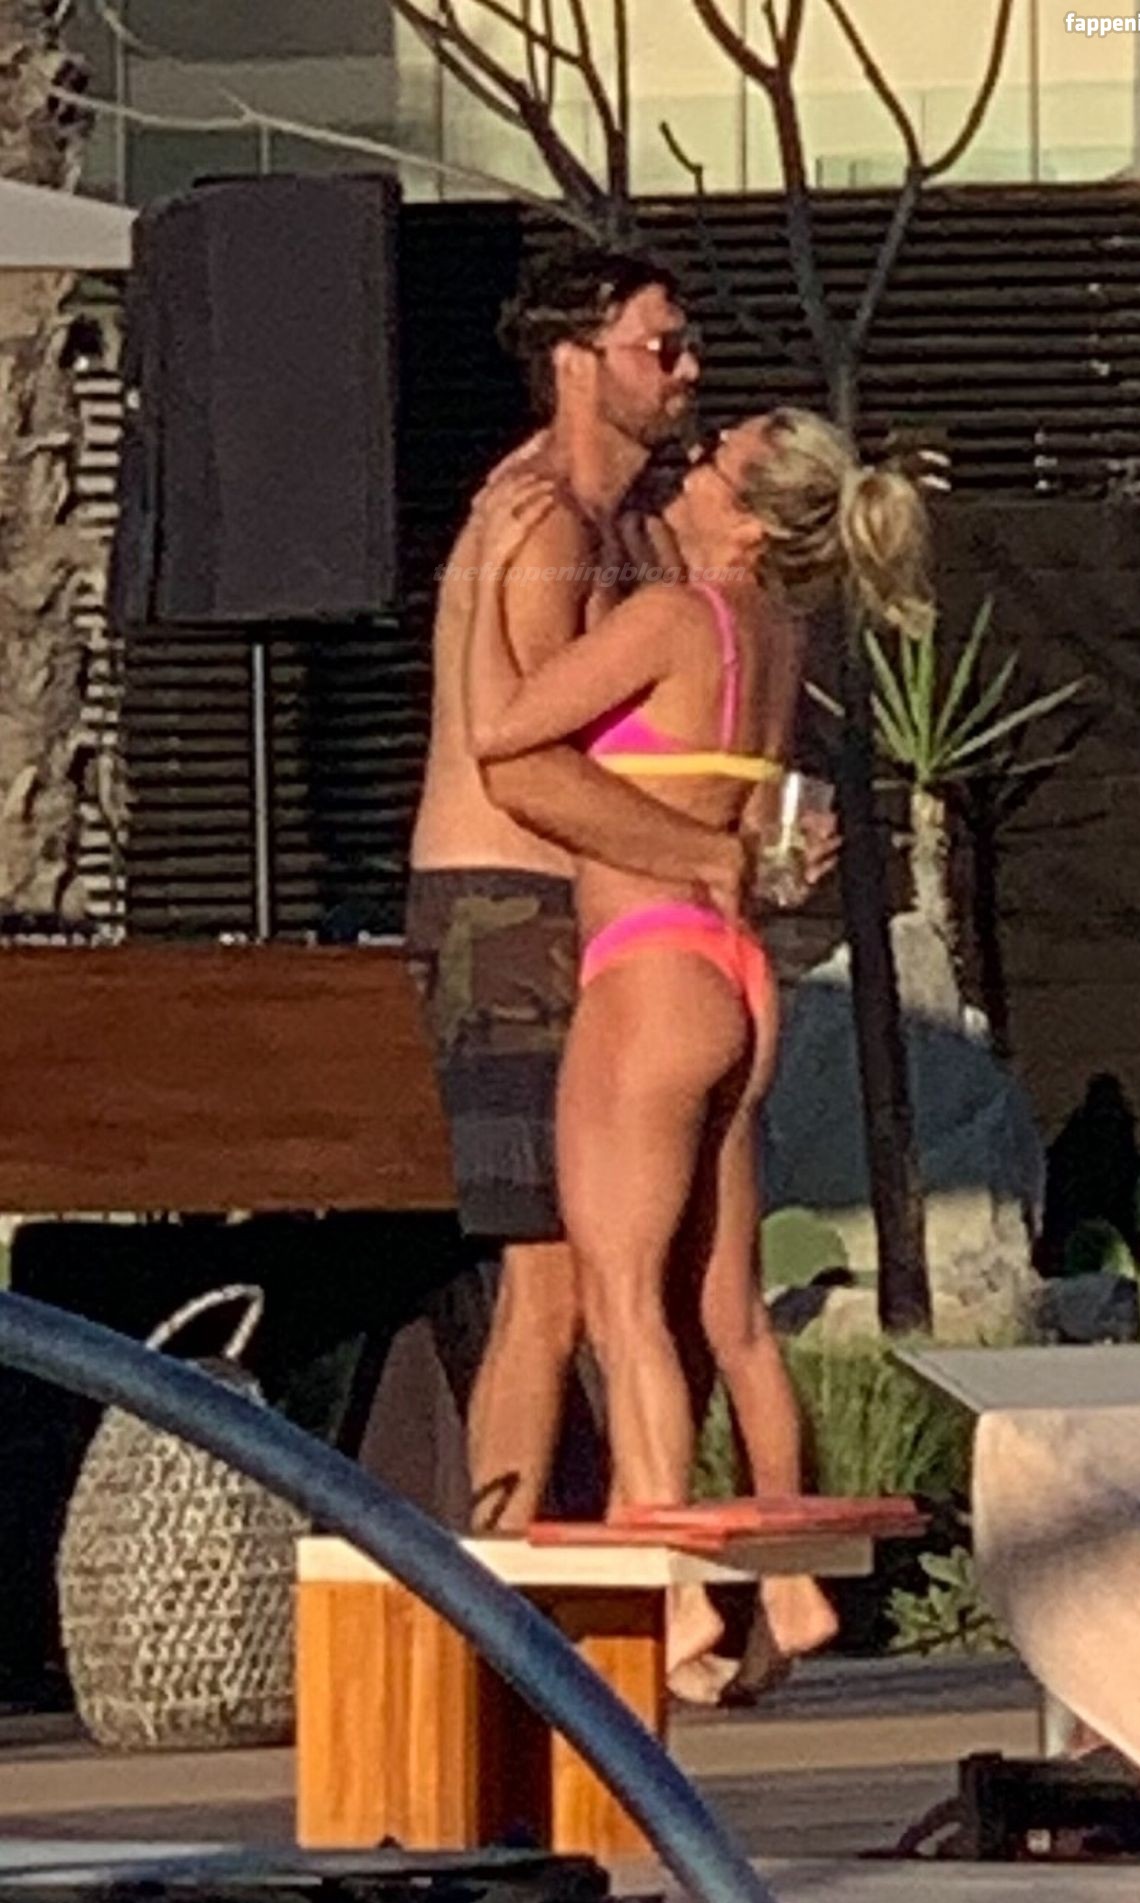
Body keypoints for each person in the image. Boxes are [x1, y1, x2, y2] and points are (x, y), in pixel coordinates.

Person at [469, 406, 932, 1693]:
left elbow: (507, 732)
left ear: (746, 511)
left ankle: (674, 1599)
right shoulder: (777, 638)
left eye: (720, 451)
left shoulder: (675, 619)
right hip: (737, 973)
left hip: (650, 967)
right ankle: (786, 1584)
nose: (697, 451)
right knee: (733, 1316)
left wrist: (486, 602)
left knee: (622, 1303)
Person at [403, 246, 749, 1531]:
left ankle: (658, 1568)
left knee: (665, 1272)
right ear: (573, 361)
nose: (686, 370)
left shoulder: (636, 528)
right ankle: (491, 1587)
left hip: (609, 912)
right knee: (548, 1282)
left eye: (688, 345)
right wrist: (700, 855)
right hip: (503, 907)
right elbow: (522, 766)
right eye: (660, 347)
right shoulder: (540, 523)